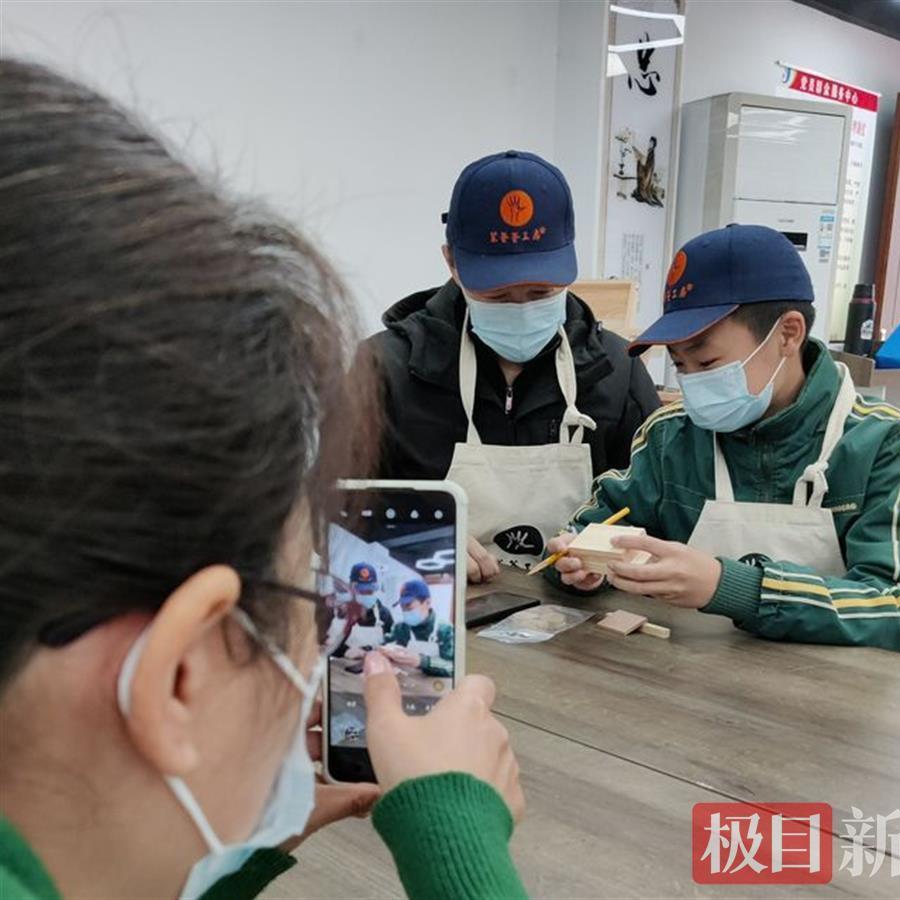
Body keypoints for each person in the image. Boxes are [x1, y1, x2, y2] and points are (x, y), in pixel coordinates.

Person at [0, 60, 527, 900]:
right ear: (179, 676)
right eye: (303, 601)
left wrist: (228, 850)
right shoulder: (394, 360)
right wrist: (457, 838)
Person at [550, 224, 900, 654]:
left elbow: (897, 608)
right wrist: (580, 563)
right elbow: (596, 526)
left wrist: (731, 587)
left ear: (788, 333)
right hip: (702, 675)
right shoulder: (670, 437)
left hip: (845, 686)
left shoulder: (884, 441)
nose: (692, 382)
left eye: (707, 362)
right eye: (679, 365)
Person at [363, 150, 660, 580]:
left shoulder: (618, 371)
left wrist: (602, 562)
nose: (520, 308)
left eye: (541, 293)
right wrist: (410, 538)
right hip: (429, 602)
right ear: (452, 262)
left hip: (574, 617)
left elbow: (655, 515)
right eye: (498, 296)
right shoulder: (383, 370)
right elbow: (324, 508)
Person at [381, 580, 455, 678]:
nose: (405, 612)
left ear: (427, 602)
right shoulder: (400, 628)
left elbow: (453, 667)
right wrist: (385, 653)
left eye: (409, 607)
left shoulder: (446, 630)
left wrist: (421, 661)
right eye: (403, 608)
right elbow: (384, 645)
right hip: (407, 682)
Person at [331, 563, 395, 659]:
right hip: (343, 664)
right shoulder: (339, 613)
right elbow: (325, 643)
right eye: (361, 591)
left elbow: (392, 641)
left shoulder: (384, 614)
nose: (366, 595)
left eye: (369, 591)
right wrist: (345, 651)